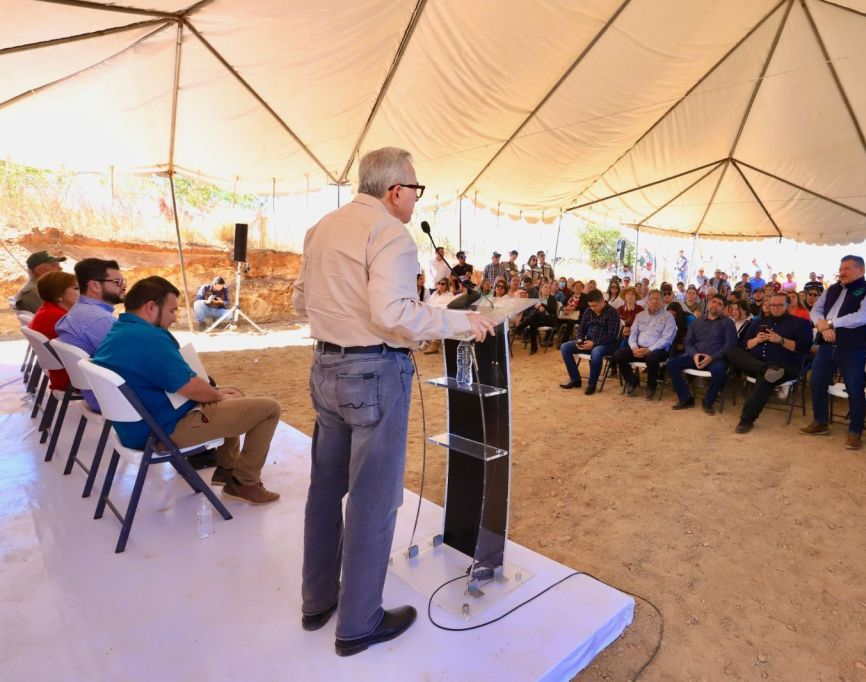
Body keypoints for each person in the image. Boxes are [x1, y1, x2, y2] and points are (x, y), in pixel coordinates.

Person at [292, 147, 495, 655]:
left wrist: (345, 313)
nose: (416, 199)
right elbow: (391, 312)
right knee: (373, 499)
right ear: (395, 190)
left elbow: (300, 300)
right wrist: (460, 321)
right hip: (374, 374)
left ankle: (317, 602)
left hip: (325, 368)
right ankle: (359, 623)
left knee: (325, 491)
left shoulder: (321, 227)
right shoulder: (390, 233)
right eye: (415, 190)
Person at [93, 275, 281, 503]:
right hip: (160, 431)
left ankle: (227, 469)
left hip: (135, 428)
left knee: (226, 397)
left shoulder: (119, 330)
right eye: (171, 311)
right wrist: (218, 395)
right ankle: (245, 483)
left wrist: (216, 393)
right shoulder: (150, 339)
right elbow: (191, 387)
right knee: (268, 408)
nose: (173, 318)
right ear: (151, 307)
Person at [800, 255, 866, 450]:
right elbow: (815, 310)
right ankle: (820, 422)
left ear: (861, 270)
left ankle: (855, 431)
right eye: (841, 268)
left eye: (847, 268)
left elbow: (863, 316)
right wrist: (822, 326)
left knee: (854, 390)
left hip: (852, 349)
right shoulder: (832, 288)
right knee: (817, 383)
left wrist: (830, 323)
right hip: (826, 345)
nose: (842, 272)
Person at [727, 293, 813, 433]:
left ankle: (746, 419)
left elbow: (803, 349)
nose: (775, 308)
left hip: (785, 366)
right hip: (757, 364)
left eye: (779, 305)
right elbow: (745, 345)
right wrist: (757, 340)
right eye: (773, 305)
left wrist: (781, 340)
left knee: (767, 377)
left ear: (788, 306)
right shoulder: (759, 322)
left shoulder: (801, 324)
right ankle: (765, 368)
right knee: (732, 352)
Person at [56, 258, 127, 411]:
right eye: (117, 282)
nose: (124, 286)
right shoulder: (99, 319)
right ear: (95, 285)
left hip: (95, 393)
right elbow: (131, 362)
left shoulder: (78, 310)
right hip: (114, 398)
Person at [665, 294, 737, 414]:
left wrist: (712, 357)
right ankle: (686, 398)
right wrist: (694, 354)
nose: (715, 305)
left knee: (720, 371)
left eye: (720, 304)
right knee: (672, 364)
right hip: (696, 357)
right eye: (713, 302)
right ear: (708, 304)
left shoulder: (728, 323)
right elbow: (688, 342)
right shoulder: (697, 322)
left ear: (724, 308)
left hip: (716, 358)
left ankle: (708, 401)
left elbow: (730, 346)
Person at [613, 289, 675, 400]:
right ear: (648, 301)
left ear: (662, 302)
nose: (654, 301)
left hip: (658, 350)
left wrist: (649, 349)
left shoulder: (668, 317)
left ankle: (651, 386)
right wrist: (634, 347)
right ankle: (632, 380)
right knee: (618, 354)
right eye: (652, 299)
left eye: (657, 299)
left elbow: (666, 339)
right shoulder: (641, 315)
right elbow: (633, 333)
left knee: (652, 358)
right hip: (639, 348)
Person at [559, 290, 620, 395]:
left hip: (606, 344)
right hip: (588, 342)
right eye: (590, 306)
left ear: (602, 301)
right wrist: (579, 339)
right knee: (565, 347)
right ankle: (575, 379)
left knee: (596, 351)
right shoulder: (588, 311)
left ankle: (592, 384)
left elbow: (612, 335)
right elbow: (582, 328)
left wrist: (594, 343)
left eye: (594, 306)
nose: (592, 308)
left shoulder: (612, 312)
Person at [28, 271, 79, 392]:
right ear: (58, 294)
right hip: (73, 379)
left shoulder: (47, 311)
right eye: (76, 288)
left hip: (63, 375)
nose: (81, 292)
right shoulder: (57, 317)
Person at [521, 281, 559, 354]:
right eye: (545, 287)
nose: (547, 289)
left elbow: (552, 311)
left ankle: (521, 327)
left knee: (535, 317)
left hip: (550, 319)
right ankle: (534, 348)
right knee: (533, 323)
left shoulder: (552, 298)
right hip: (539, 319)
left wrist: (542, 305)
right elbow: (531, 310)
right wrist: (538, 307)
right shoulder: (538, 299)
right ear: (541, 289)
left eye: (549, 288)